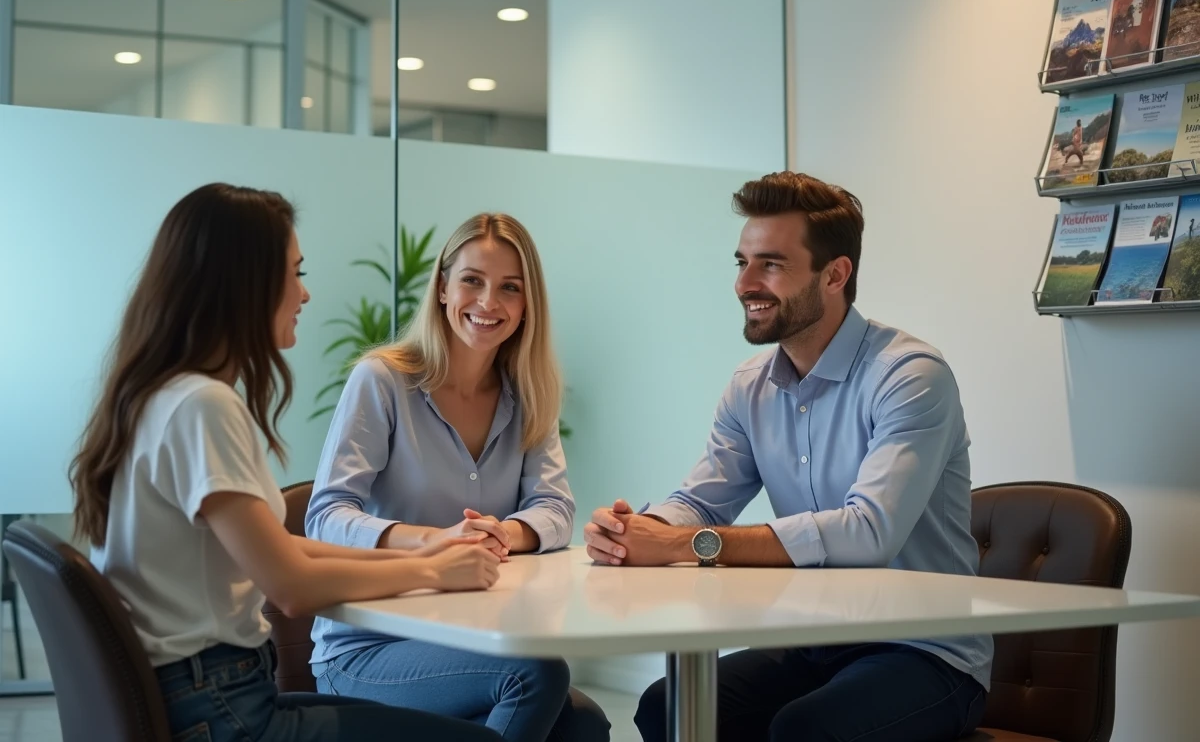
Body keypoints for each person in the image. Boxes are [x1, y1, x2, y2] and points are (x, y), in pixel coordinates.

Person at [70, 183, 505, 742]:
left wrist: (431, 546)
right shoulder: (202, 406)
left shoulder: (159, 396)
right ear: (246, 283)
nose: (304, 294)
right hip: (221, 708)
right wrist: (431, 572)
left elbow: (280, 550)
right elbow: (290, 586)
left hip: (194, 695)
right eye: (296, 272)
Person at [584, 172, 993, 742]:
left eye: (770, 265)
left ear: (835, 275)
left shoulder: (910, 376)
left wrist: (685, 545)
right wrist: (639, 529)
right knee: (667, 707)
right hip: (816, 640)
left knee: (806, 730)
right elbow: (701, 500)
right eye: (742, 262)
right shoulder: (749, 385)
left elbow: (869, 530)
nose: (744, 284)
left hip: (925, 652)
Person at [306, 213, 610, 742]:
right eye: (472, 280)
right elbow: (326, 516)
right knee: (536, 673)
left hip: (475, 639)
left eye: (509, 288)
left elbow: (555, 509)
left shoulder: (528, 393)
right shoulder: (382, 381)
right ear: (443, 288)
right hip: (368, 648)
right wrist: (434, 543)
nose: (489, 302)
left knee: (581, 726)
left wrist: (502, 533)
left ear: (526, 306)